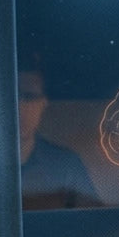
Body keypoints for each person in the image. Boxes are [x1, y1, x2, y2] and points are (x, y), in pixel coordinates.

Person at [18, 62, 99, 210]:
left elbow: (92, 225)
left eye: (29, 97)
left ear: (43, 103)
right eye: (12, 97)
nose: (19, 106)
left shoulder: (66, 166)